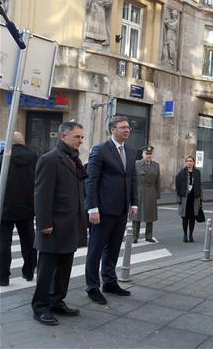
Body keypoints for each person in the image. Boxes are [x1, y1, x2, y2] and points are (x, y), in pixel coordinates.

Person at [31, 122, 87, 326]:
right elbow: (41, 194)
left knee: (65, 267)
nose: (80, 141)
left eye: (82, 137)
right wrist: (44, 223)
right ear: (63, 136)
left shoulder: (74, 159)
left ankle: (56, 301)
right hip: (53, 224)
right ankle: (40, 307)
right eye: (76, 137)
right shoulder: (49, 159)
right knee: (47, 269)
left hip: (71, 223)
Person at [85, 116, 138, 305]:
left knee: (114, 248)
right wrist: (92, 208)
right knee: (96, 249)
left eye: (128, 127)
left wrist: (134, 203)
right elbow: (91, 180)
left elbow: (131, 179)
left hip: (121, 209)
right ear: (112, 130)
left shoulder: (131, 152)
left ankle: (109, 281)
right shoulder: (100, 150)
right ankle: (92, 287)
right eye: (123, 127)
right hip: (102, 210)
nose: (127, 130)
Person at [0, 132, 37, 286]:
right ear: (23, 142)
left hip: (5, 207)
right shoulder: (34, 157)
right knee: (29, 241)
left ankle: (3, 277)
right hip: (27, 206)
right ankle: (28, 272)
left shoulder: (3, 158)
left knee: (3, 243)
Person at [131, 146, 161, 244]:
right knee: (136, 216)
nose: (148, 155)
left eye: (150, 154)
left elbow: (158, 181)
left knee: (150, 215)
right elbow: (132, 180)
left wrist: (157, 194)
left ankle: (149, 236)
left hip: (151, 192)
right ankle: (134, 236)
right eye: (146, 153)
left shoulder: (156, 165)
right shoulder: (136, 164)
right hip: (138, 192)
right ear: (142, 154)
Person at [175, 155, 202, 243]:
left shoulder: (197, 172)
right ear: (186, 162)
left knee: (193, 218)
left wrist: (201, 199)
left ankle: (191, 235)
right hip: (184, 199)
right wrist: (178, 199)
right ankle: (185, 235)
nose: (189, 163)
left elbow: (200, 186)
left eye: (191, 161)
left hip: (194, 198)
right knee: (185, 218)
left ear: (193, 162)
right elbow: (178, 187)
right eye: (187, 161)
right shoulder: (181, 173)